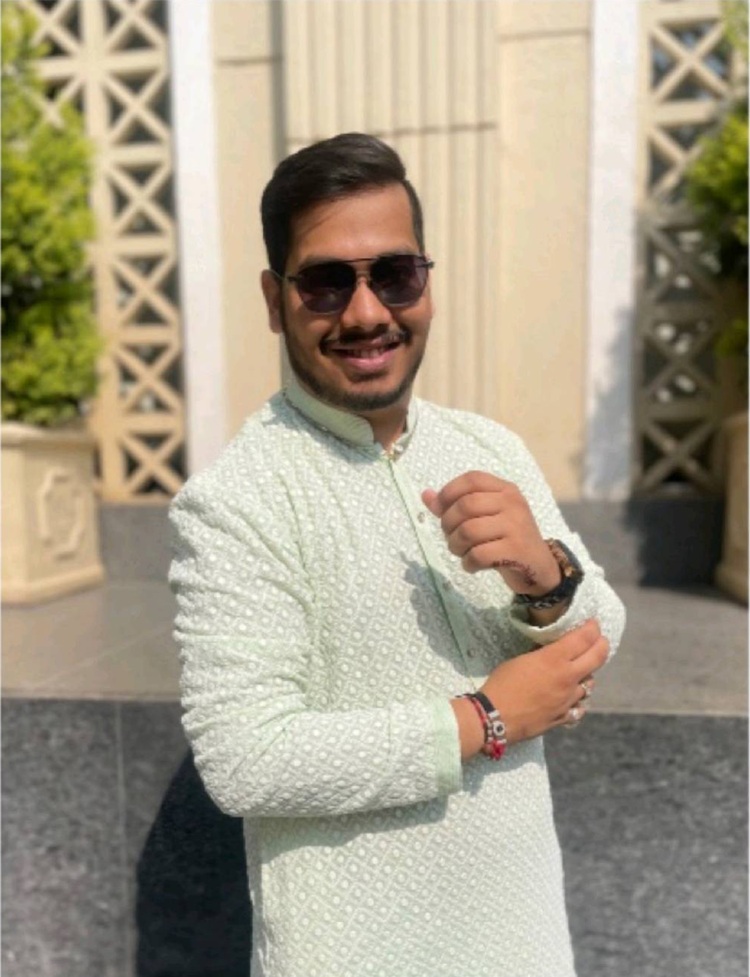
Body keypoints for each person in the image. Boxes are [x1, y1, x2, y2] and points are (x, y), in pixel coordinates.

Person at [169, 132, 626, 977]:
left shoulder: (489, 447)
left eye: (395, 273)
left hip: (522, 936)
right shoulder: (239, 497)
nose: (367, 312)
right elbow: (243, 756)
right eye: (326, 282)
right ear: (274, 299)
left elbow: (600, 633)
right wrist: (484, 719)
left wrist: (547, 578)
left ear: (426, 283)